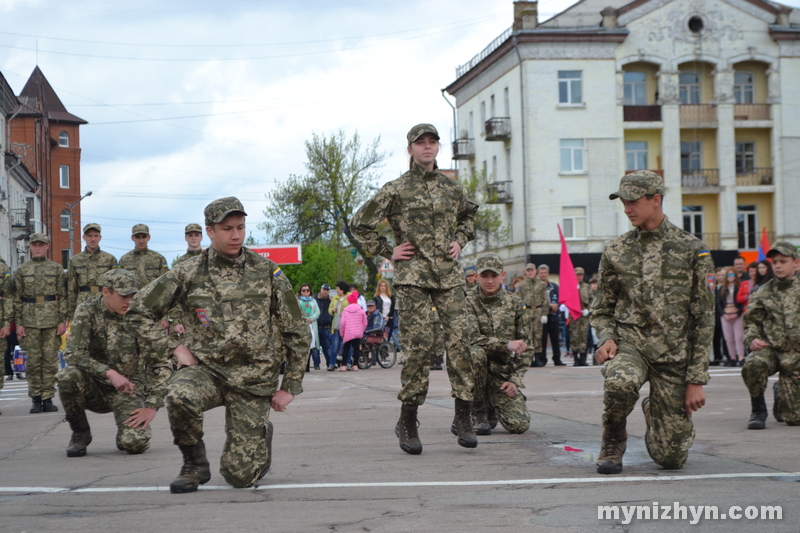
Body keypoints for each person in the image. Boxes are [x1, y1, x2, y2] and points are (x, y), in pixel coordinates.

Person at [125, 197, 310, 492]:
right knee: (180, 393)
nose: (236, 235)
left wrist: (290, 385)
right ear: (210, 231)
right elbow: (137, 312)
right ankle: (194, 464)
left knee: (240, 477)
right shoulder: (187, 273)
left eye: (240, 227)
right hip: (207, 370)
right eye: (227, 228)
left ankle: (259, 435)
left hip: (253, 378)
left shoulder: (267, 272)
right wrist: (175, 346)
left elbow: (297, 329)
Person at [351, 123, 479, 454]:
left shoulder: (451, 188)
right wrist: (386, 250)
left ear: (438, 147)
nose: (426, 147)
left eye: (432, 142)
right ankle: (408, 419)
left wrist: (459, 240)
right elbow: (360, 223)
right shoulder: (396, 189)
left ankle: (463, 415)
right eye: (419, 143)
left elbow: (470, 217)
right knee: (419, 348)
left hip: (449, 277)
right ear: (410, 149)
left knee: (461, 343)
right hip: (413, 278)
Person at [592, 170, 714, 475]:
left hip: (673, 355)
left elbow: (703, 317)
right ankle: (613, 436)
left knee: (670, 459)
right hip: (632, 346)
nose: (627, 208)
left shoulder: (692, 250)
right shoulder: (616, 251)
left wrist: (696, 379)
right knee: (619, 382)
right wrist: (607, 339)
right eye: (623, 201)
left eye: (633, 201)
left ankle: (655, 409)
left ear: (655, 199)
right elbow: (603, 309)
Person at [57, 269, 172, 457]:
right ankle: (80, 433)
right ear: (106, 292)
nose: (129, 301)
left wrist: (152, 405)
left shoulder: (140, 317)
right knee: (66, 377)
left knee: (134, 445)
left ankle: (124, 433)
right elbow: (73, 353)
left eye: (133, 295)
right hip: (94, 386)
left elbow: (161, 363)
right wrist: (108, 372)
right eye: (123, 296)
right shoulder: (87, 311)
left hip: (129, 388)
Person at [465, 254, 533, 436]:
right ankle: (478, 410)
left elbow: (528, 347)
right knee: (475, 352)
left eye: (493, 276)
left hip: (502, 375)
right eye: (484, 276)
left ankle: (492, 406)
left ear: (502, 275)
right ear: (477, 277)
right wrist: (506, 344)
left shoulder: (515, 304)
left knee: (519, 425)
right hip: (474, 374)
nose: (489, 281)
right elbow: (471, 338)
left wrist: (515, 381)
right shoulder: (467, 302)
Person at [742, 242, 800, 429]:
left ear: (796, 263)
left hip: (797, 357)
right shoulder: (764, 292)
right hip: (772, 350)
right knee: (753, 364)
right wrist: (752, 339)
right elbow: (752, 322)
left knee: (794, 418)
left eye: (783, 261)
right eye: (774, 262)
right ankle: (758, 410)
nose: (778, 265)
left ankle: (780, 394)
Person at [12, 233, 68, 414]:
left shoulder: (56, 269)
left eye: (41, 245)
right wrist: (19, 323)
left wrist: (62, 321)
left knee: (50, 362)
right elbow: (17, 299)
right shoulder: (22, 270)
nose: (37, 248)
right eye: (34, 245)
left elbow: (63, 296)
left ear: (47, 246)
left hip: (51, 320)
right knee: (34, 362)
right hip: (30, 321)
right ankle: (36, 399)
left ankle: (48, 398)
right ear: (30, 247)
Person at [66, 223, 118, 321]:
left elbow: (114, 287)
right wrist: (71, 313)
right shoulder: (75, 260)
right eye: (89, 236)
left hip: (103, 302)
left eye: (95, 236)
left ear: (100, 238)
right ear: (84, 237)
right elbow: (71, 289)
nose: (92, 239)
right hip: (83, 303)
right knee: (83, 334)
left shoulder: (110, 259)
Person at [119, 224, 169, 289]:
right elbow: (119, 285)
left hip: (152, 297)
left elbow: (165, 283)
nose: (141, 241)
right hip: (131, 297)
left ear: (148, 237)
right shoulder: (124, 260)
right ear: (132, 238)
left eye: (144, 237)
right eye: (137, 237)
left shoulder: (159, 259)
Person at [517, 263, 548, 358]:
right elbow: (519, 300)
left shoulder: (542, 284)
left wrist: (544, 314)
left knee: (538, 335)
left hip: (538, 311)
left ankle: (538, 357)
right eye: (528, 271)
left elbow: (545, 300)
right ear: (526, 272)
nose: (530, 272)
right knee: (527, 335)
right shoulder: (521, 284)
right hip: (527, 311)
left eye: (532, 270)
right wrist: (522, 312)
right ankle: (529, 357)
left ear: (535, 271)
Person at [534, 264, 564, 367]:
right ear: (538, 274)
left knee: (555, 338)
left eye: (545, 273)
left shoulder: (554, 286)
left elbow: (560, 299)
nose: (543, 275)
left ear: (548, 274)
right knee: (542, 339)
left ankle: (557, 359)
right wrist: (548, 305)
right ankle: (542, 359)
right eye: (541, 273)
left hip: (553, 316)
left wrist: (556, 306)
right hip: (541, 316)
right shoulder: (536, 286)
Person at [718, 267, 745, 366]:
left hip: (737, 314)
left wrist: (737, 313)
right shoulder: (722, 288)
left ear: (735, 276)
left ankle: (741, 357)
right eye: (728, 275)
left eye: (732, 275)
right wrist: (723, 314)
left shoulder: (739, 286)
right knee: (728, 338)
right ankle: (732, 357)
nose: (730, 277)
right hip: (725, 315)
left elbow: (742, 302)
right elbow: (719, 303)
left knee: (738, 337)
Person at [568, 267, 593, 367]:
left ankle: (583, 358)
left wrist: (589, 309)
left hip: (584, 314)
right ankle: (575, 359)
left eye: (581, 275)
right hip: (574, 314)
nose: (579, 276)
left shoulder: (587, 287)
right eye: (577, 275)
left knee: (584, 336)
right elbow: (568, 300)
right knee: (574, 336)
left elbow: (593, 300)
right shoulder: (570, 287)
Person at [338, 291, 366, 371]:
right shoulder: (361, 310)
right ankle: (355, 365)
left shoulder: (345, 311)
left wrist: (342, 333)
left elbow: (342, 323)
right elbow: (365, 322)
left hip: (348, 332)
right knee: (356, 348)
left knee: (346, 348)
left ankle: (343, 366)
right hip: (358, 332)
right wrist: (362, 330)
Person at [297, 284, 321, 370]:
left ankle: (308, 365)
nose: (306, 292)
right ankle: (303, 365)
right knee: (303, 345)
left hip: (312, 324)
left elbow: (318, 312)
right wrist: (304, 319)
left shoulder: (313, 301)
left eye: (307, 290)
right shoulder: (298, 301)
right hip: (302, 325)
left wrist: (312, 318)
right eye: (303, 290)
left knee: (311, 345)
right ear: (300, 292)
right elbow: (296, 312)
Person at [328, 281, 349, 371]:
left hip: (347, 325)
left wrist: (345, 312)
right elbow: (329, 309)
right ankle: (332, 364)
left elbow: (354, 307)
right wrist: (333, 310)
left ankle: (347, 363)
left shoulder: (350, 296)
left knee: (347, 345)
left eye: (337, 288)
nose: (336, 290)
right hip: (337, 324)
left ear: (342, 289)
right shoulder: (335, 298)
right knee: (335, 345)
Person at [373, 279, 398, 352]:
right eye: (381, 286)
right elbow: (375, 308)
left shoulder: (391, 296)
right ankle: (380, 353)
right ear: (379, 287)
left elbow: (393, 307)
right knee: (380, 337)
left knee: (388, 337)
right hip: (380, 319)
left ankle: (385, 353)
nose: (383, 287)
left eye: (384, 286)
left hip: (389, 319)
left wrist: (388, 316)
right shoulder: (376, 297)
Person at [314, 283, 333, 369]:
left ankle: (330, 363)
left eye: (327, 290)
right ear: (321, 290)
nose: (325, 292)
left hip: (326, 327)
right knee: (315, 346)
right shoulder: (314, 298)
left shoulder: (331, 300)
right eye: (324, 290)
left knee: (327, 346)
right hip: (316, 325)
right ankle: (316, 364)